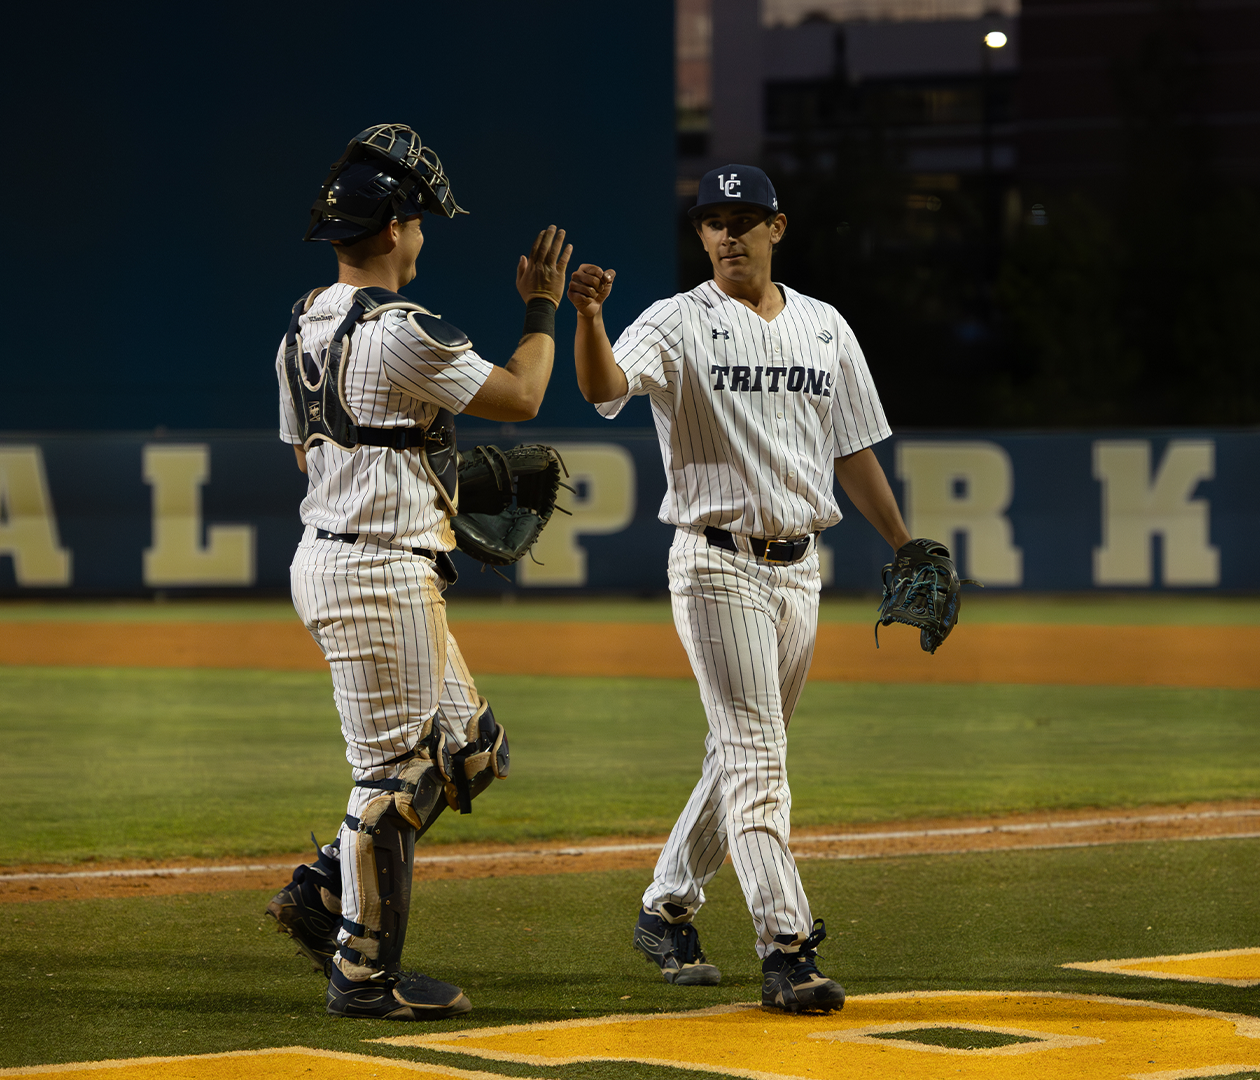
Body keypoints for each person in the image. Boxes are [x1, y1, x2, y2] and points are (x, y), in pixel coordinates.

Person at [567, 163, 912, 1014]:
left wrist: (903, 544)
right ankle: (785, 947)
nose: (727, 234)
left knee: (740, 753)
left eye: (743, 219)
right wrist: (588, 317)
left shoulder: (826, 329)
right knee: (760, 757)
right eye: (713, 221)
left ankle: (667, 905)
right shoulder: (676, 322)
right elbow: (605, 387)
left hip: (802, 570)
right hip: (715, 561)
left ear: (777, 228)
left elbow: (854, 449)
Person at [264, 123, 572, 1021]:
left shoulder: (301, 323)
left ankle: (326, 894)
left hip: (341, 555)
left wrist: (415, 473)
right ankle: (363, 975)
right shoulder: (402, 327)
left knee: (472, 752)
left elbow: (307, 460)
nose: (426, 234)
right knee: (395, 778)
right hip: (378, 575)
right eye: (421, 221)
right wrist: (542, 309)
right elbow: (521, 396)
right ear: (394, 228)